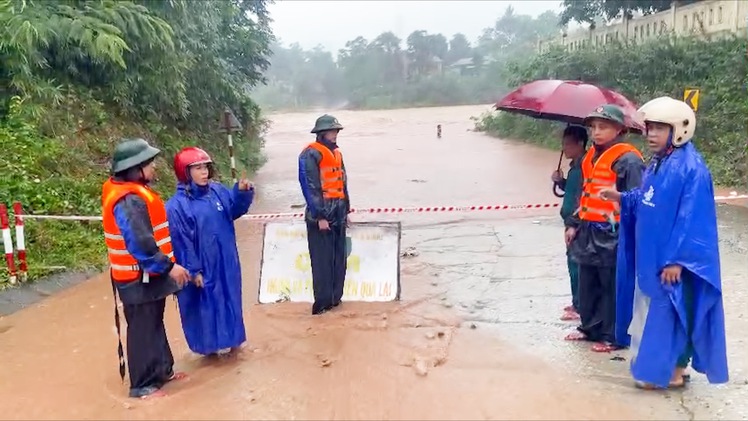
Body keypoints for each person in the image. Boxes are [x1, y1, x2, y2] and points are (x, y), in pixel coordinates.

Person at [599, 96, 728, 389]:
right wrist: (622, 198)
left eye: (658, 128)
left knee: (676, 312)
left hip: (672, 262)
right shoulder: (660, 163)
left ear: (679, 129)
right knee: (657, 312)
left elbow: (693, 220)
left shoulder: (691, 168)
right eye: (649, 128)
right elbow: (649, 199)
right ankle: (664, 368)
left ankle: (673, 371)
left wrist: (677, 260)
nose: (651, 135)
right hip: (652, 257)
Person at [101, 138, 192, 399]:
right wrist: (168, 267)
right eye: (149, 164)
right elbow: (140, 242)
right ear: (134, 169)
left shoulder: (131, 190)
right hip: (136, 276)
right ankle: (142, 386)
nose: (154, 169)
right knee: (142, 329)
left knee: (153, 323)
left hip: (144, 275)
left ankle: (163, 371)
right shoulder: (128, 199)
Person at [563, 104, 645, 353]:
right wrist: (573, 224)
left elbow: (636, 198)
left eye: (603, 127)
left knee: (612, 284)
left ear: (619, 129)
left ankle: (614, 336)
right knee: (588, 282)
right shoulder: (590, 156)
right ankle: (590, 329)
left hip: (613, 231)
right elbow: (582, 194)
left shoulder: (628, 160)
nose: (596, 132)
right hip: (588, 228)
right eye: (593, 127)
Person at [166, 147, 254, 357]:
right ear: (185, 172)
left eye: (205, 167)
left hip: (226, 260)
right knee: (205, 309)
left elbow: (233, 211)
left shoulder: (218, 192)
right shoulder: (177, 206)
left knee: (230, 300)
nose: (204, 172)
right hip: (202, 266)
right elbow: (181, 241)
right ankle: (209, 355)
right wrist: (194, 270)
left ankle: (235, 348)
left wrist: (242, 193)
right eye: (197, 168)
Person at [298, 114, 351, 315]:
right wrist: (319, 215)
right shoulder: (310, 154)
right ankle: (321, 304)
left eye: (336, 131)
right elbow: (310, 187)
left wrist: (346, 209)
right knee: (322, 260)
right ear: (321, 133)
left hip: (338, 211)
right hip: (322, 214)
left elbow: (343, 183)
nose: (335, 134)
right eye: (331, 131)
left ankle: (335, 300)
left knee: (339, 259)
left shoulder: (337, 154)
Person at [550, 125, 588, 322]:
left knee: (576, 264)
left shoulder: (584, 166)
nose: (564, 148)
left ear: (580, 143)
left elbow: (583, 197)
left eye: (568, 144)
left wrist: (574, 223)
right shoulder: (575, 166)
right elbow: (573, 191)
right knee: (572, 262)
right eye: (563, 144)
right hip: (571, 222)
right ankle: (577, 302)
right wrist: (561, 181)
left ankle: (580, 305)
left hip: (578, 224)